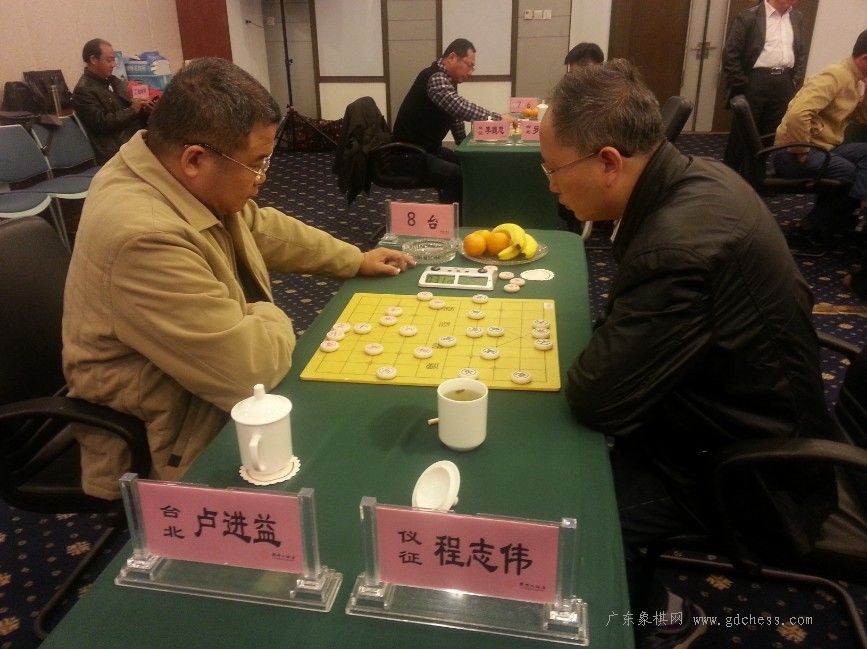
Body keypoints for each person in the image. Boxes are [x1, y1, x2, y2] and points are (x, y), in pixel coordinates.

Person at [540, 59, 832, 646]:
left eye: (552, 169)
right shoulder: (699, 177)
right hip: (746, 419)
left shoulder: (676, 247)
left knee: (558, 510)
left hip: (747, 475)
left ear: (609, 162)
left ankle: (658, 619)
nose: (550, 186)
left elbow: (598, 401)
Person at [62, 58, 415, 499]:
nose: (263, 178)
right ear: (195, 159)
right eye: (258, 163)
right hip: (168, 438)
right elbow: (252, 373)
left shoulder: (168, 172)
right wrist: (265, 312)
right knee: (346, 460)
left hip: (200, 387)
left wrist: (354, 259)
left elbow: (257, 225)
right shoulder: (144, 235)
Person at [773, 29, 867, 236]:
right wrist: (801, 151)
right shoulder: (835, 76)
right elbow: (798, 115)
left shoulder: (855, 79)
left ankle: (843, 217)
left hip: (825, 147)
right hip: (791, 153)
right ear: (864, 58)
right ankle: (815, 225)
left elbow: (862, 118)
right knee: (851, 172)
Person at [392, 38, 502, 204]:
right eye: (469, 65)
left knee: (468, 164)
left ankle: (469, 213)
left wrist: (463, 145)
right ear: (452, 57)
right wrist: (497, 119)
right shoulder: (436, 78)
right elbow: (460, 107)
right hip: (408, 155)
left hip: (427, 150)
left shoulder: (448, 79)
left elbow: (454, 115)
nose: (470, 72)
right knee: (455, 175)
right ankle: (453, 219)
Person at [721, 0, 806, 170]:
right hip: (754, 81)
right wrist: (744, 84)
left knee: (768, 137)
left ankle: (755, 177)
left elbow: (801, 52)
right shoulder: (748, 17)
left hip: (784, 82)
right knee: (741, 136)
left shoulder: (797, 17)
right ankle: (728, 176)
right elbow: (730, 55)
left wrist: (794, 80)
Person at [72, 38, 153, 164]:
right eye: (109, 60)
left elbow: (127, 108)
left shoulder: (114, 81)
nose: (113, 65)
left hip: (134, 138)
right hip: (115, 148)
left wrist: (144, 109)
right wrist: (133, 109)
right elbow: (102, 123)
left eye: (114, 60)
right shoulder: (83, 90)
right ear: (93, 60)